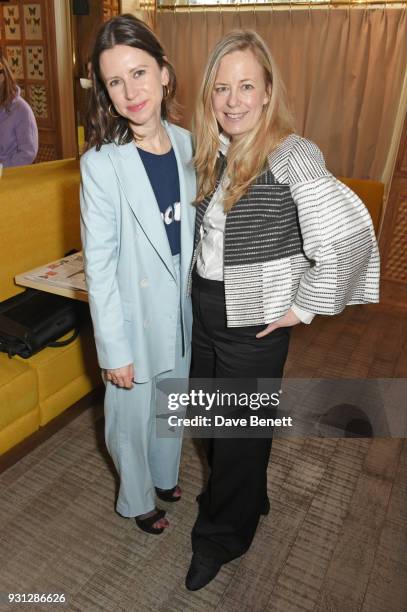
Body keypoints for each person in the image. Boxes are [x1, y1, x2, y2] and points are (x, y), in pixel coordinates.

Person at [185, 29, 380, 590]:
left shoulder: (292, 153)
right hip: (206, 306)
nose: (234, 100)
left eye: (247, 85)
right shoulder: (213, 150)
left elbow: (347, 234)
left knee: (236, 431)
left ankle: (222, 536)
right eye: (222, 88)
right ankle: (248, 491)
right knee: (210, 420)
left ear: (269, 91)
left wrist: (305, 305)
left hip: (255, 317)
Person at [80, 14, 195, 535]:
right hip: (132, 312)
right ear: (105, 93)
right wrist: (113, 349)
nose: (130, 91)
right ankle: (137, 498)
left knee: (173, 401)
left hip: (181, 304)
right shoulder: (102, 164)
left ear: (164, 73)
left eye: (140, 73)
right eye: (115, 81)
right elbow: (98, 265)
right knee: (130, 417)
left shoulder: (193, 144)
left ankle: (164, 474)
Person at [0, 55, 38, 167]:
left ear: (2, 77)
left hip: (11, 176)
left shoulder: (22, 110)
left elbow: (28, 153)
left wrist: (2, 167)